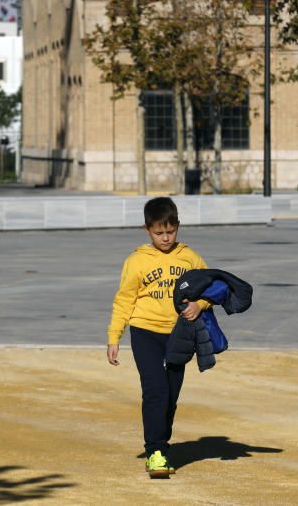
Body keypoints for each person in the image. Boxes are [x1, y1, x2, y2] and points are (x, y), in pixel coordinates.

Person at [106, 196, 209, 477]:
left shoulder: (189, 257)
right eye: (159, 232)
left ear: (178, 226)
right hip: (145, 332)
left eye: (170, 231)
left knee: (171, 395)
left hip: (178, 334)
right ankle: (156, 451)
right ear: (147, 230)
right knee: (156, 391)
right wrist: (114, 336)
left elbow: (210, 288)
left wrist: (200, 305)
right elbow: (124, 300)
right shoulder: (137, 261)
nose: (165, 238)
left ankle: (161, 441)